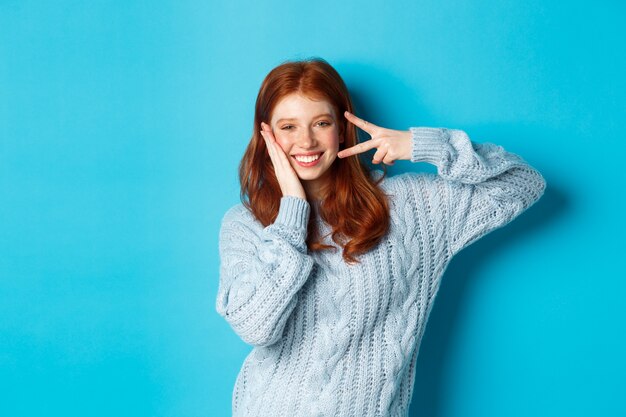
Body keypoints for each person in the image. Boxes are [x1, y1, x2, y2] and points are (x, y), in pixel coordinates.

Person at [216, 57, 546, 417]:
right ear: (267, 135)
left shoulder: (411, 207)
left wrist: (422, 146)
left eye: (321, 123)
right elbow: (255, 327)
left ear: (342, 129)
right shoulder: (246, 224)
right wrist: (293, 211)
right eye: (289, 127)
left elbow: (522, 183)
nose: (306, 141)